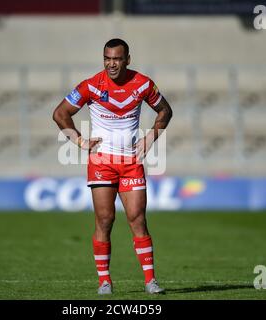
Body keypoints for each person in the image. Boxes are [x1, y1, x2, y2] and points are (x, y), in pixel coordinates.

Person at [53, 38, 173, 295]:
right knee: (105, 219)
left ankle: (151, 281)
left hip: (131, 162)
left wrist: (151, 136)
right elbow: (60, 113)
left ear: (127, 59)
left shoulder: (143, 84)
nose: (111, 64)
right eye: (107, 58)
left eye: (116, 59)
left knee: (137, 219)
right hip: (102, 162)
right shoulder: (90, 86)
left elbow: (165, 111)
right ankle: (104, 282)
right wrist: (79, 140)